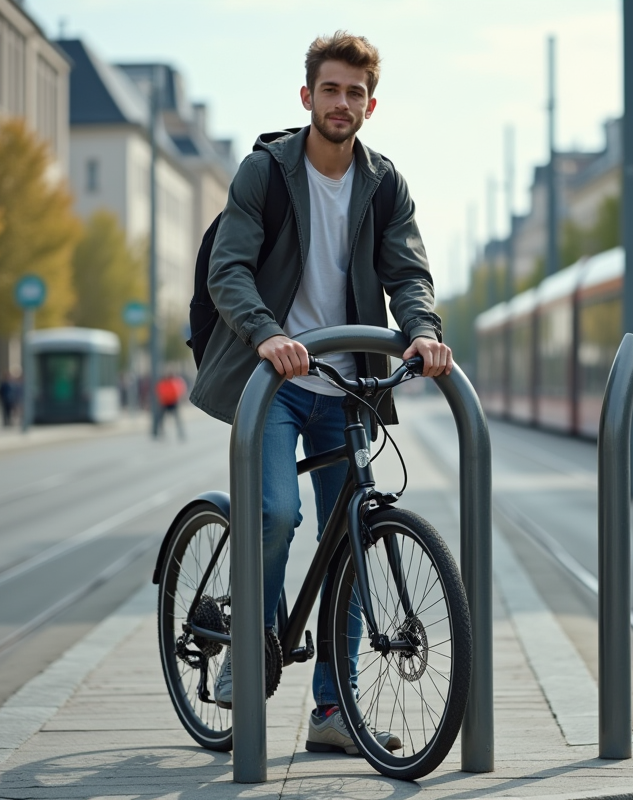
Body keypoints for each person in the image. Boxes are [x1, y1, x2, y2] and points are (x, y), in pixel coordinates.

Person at [189, 31, 448, 756]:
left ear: (370, 104)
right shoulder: (265, 173)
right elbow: (229, 269)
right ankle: (248, 647)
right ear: (308, 98)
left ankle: (334, 711)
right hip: (272, 378)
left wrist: (423, 331)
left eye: (355, 92)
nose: (342, 103)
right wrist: (267, 333)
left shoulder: (384, 182)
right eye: (330, 90)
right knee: (275, 512)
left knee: (353, 540)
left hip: (346, 384)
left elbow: (409, 273)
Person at [156, 372, 188, 441]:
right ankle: (179, 433)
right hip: (169, 403)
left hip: (169, 403)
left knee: (165, 419)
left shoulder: (167, 383)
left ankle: (162, 433)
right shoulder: (172, 382)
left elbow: (159, 393)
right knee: (173, 419)